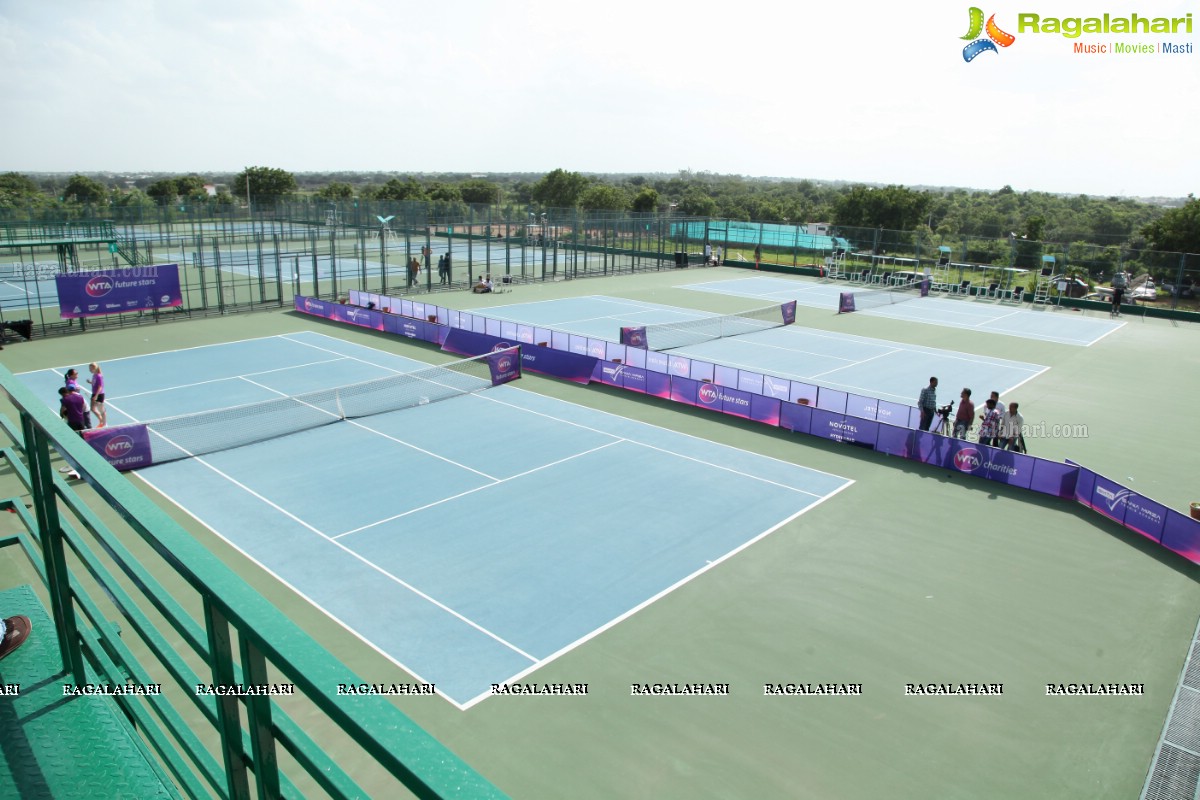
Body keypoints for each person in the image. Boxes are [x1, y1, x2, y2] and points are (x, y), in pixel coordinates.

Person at [87, 362, 106, 429]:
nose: (89, 370)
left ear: (94, 368)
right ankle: (101, 420)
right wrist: (90, 382)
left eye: (91, 368)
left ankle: (103, 423)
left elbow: (100, 386)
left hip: (99, 394)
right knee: (92, 408)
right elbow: (95, 383)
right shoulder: (94, 375)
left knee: (101, 410)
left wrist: (96, 396)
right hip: (94, 393)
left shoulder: (99, 376)